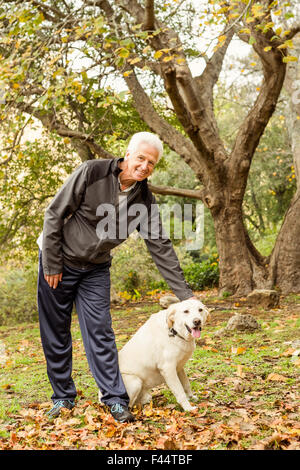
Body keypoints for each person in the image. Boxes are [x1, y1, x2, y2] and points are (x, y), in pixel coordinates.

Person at [37, 132, 195, 423]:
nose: (145, 166)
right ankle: (63, 397)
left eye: (152, 163)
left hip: (96, 269)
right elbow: (54, 214)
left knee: (101, 332)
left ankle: (115, 399)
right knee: (56, 332)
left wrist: (186, 296)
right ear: (128, 154)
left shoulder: (145, 200)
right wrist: (51, 262)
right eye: (141, 158)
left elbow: (159, 245)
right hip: (59, 260)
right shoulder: (92, 172)